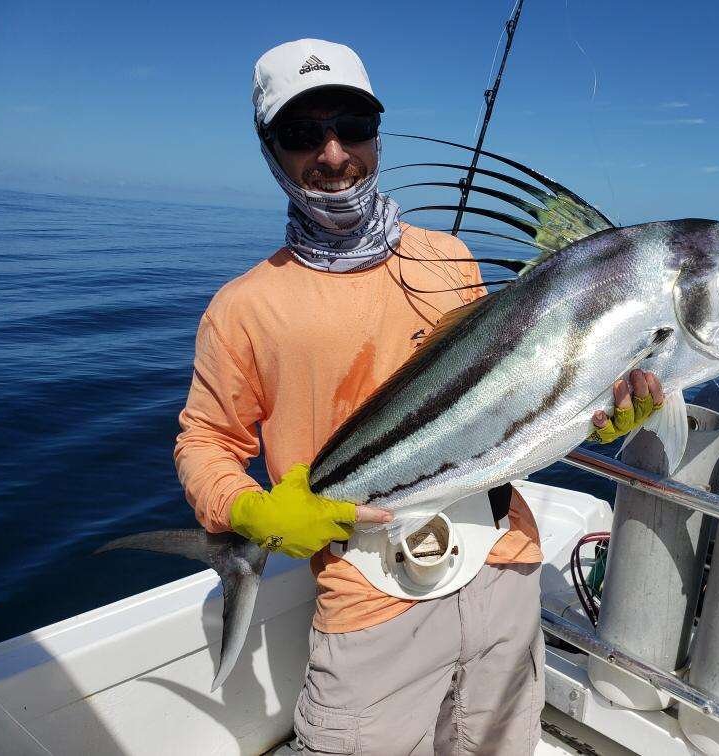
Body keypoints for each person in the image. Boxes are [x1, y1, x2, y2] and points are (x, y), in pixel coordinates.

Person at [174, 38, 662, 755]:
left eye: (354, 125)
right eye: (303, 134)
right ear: (270, 151)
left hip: (503, 567)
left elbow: (501, 404)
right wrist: (245, 509)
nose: (335, 153)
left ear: (378, 132)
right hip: (368, 595)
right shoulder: (243, 307)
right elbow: (205, 442)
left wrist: (592, 412)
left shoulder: (451, 258)